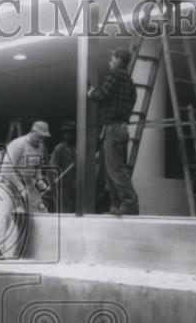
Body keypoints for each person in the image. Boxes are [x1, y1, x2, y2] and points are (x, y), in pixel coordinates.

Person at [88, 48, 139, 215]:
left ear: (118, 60)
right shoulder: (130, 82)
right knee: (111, 169)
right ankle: (116, 205)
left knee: (115, 169)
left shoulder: (115, 74)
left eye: (112, 58)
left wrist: (91, 93)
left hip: (112, 128)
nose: (110, 61)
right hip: (122, 128)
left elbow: (103, 96)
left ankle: (128, 204)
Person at [0, 121, 50, 260]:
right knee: (4, 214)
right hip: (8, 184)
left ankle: (38, 252)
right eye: (40, 137)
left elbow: (36, 169)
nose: (42, 140)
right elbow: (6, 169)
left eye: (44, 138)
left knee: (42, 211)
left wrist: (40, 183)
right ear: (33, 132)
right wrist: (21, 188)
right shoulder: (17, 145)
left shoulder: (40, 147)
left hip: (25, 184)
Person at [49, 120, 77, 214]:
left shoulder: (80, 147)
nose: (67, 135)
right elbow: (53, 167)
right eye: (66, 132)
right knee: (64, 212)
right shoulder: (59, 149)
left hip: (77, 186)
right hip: (63, 187)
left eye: (70, 132)